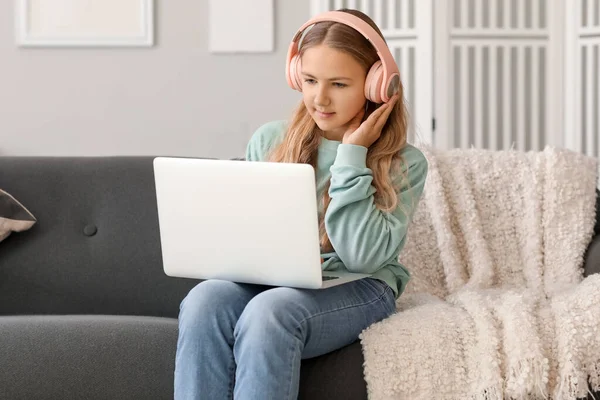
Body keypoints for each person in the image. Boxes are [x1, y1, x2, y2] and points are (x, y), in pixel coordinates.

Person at [174, 8, 428, 400]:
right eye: (309, 80)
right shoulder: (270, 140)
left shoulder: (404, 162)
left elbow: (363, 257)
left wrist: (352, 156)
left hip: (361, 285)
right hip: (280, 281)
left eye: (339, 84)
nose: (319, 98)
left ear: (377, 85)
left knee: (270, 312)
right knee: (205, 298)